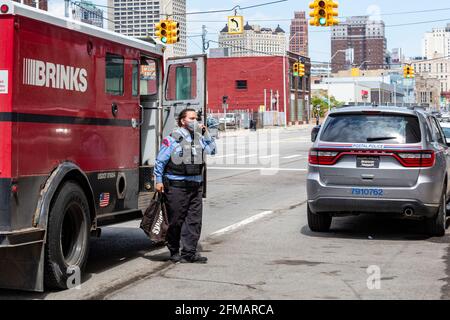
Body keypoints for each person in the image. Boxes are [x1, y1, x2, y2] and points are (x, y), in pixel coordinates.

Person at [154, 108, 217, 264]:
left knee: (194, 221)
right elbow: (160, 161)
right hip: (176, 185)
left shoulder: (200, 138)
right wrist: (158, 180)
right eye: (192, 118)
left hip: (195, 185)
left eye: (197, 118)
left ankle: (189, 253)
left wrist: (206, 133)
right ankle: (174, 250)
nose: (195, 121)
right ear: (183, 121)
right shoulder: (172, 138)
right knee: (176, 220)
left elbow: (213, 150)